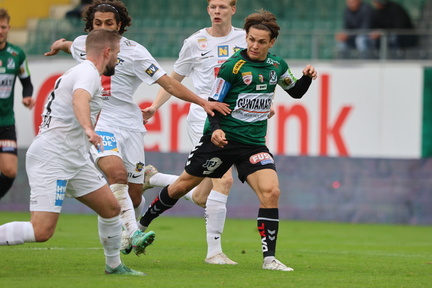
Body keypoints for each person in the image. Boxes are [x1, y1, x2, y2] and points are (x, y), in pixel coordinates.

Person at [44, 0, 230, 256]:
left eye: (109, 23)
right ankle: (131, 234)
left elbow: (169, 83)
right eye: (98, 23)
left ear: (119, 25)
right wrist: (59, 44)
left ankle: (134, 216)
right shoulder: (83, 44)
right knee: (116, 175)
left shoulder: (135, 53)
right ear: (90, 25)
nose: (103, 28)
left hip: (130, 126)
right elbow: (69, 46)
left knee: (131, 199)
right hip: (103, 123)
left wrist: (201, 101)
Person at [139, 9, 318, 271]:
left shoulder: (277, 66)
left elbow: (296, 92)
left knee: (272, 191)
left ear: (271, 43)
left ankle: (269, 259)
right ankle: (141, 226)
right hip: (222, 142)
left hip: (254, 144)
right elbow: (213, 103)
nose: (254, 45)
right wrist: (216, 130)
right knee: (181, 188)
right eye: (251, 39)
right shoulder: (232, 67)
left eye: (261, 41)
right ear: (246, 37)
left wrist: (307, 77)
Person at [0, 29, 146, 276]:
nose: (118, 60)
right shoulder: (88, 72)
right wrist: (89, 129)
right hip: (53, 156)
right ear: (107, 52)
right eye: (117, 54)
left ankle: (114, 266)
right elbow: (80, 100)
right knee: (41, 231)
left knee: (111, 209)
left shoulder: (83, 72)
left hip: (75, 158)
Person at [140, 0, 246, 265]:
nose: (217, 11)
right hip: (205, 119)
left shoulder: (245, 39)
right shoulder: (194, 42)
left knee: (201, 196)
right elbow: (174, 79)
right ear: (208, 10)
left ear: (233, 9)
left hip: (235, 121)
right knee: (225, 181)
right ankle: (214, 253)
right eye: (213, 7)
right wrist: (154, 105)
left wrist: (265, 105)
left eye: (223, 7)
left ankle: (155, 178)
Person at [0, 8, 35, 200]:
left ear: (9, 28)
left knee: (10, 171)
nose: (0, 31)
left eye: (3, 27)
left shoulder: (17, 55)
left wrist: (27, 96)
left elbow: (26, 82)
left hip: (5, 122)